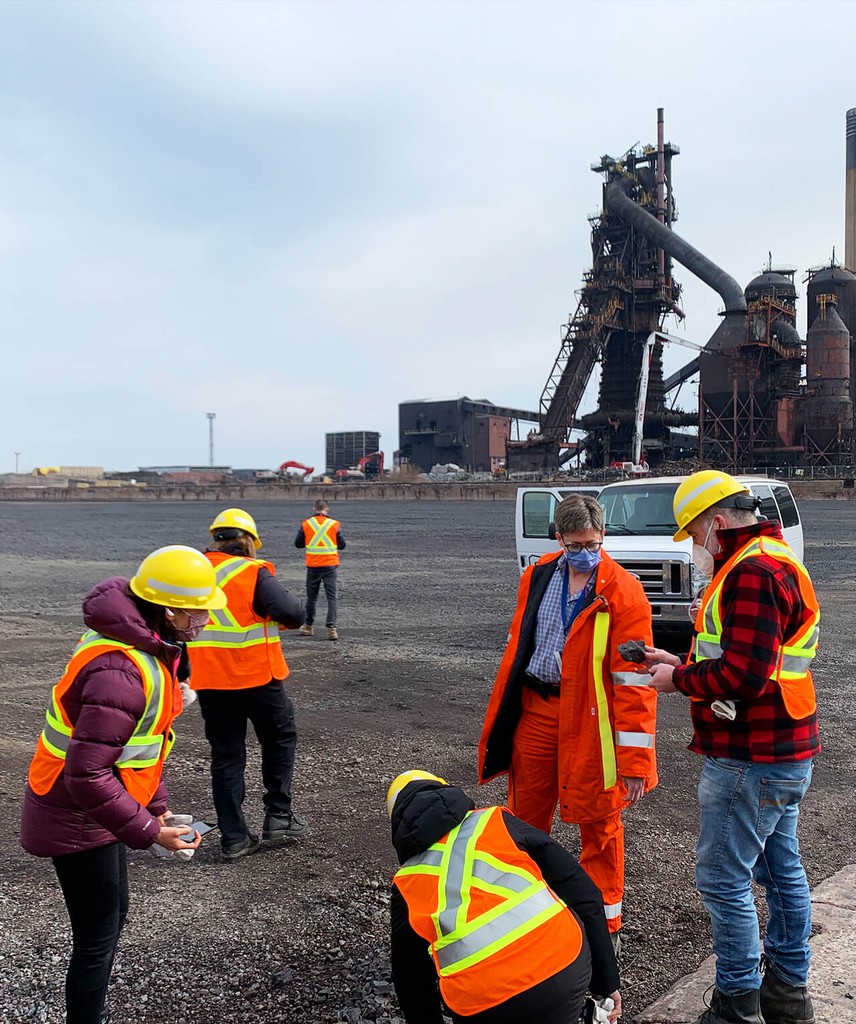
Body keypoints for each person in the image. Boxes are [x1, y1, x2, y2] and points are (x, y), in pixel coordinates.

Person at [20, 545, 228, 1024]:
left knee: (113, 918)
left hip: (96, 809)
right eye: (200, 613)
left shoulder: (145, 645)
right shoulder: (121, 672)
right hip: (74, 812)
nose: (205, 623)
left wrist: (155, 808)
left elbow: (139, 747)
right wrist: (151, 832)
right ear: (170, 609)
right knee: (96, 938)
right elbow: (87, 774)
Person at [645, 471, 820, 1024]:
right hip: (782, 748)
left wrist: (680, 683)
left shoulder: (751, 573)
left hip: (753, 757)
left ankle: (737, 1005)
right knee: (780, 868)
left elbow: (744, 675)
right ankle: (787, 995)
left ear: (717, 524)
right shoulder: (774, 557)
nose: (694, 547)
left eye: (695, 535)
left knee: (723, 877)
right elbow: (752, 659)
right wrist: (683, 665)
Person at [478, 493, 657, 952]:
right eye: (575, 544)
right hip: (538, 712)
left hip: (591, 725)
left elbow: (634, 682)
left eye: (592, 544)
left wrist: (635, 760)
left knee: (600, 824)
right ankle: (525, 913)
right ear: (557, 538)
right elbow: (521, 648)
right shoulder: (537, 577)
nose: (584, 553)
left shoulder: (623, 591)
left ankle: (603, 930)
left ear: (603, 538)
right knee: (524, 821)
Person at [387, 770, 621, 1024]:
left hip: (485, 1006)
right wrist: (605, 983)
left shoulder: (407, 880)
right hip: (564, 970)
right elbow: (582, 891)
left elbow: (411, 979)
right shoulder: (495, 820)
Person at [187, 507, 308, 860]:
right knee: (279, 738)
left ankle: (234, 837)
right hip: (257, 676)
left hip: (210, 680)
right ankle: (278, 816)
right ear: (248, 542)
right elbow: (294, 614)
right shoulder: (251, 572)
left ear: (215, 540)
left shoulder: (194, 574)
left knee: (227, 756)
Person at [295, 498, 345, 641]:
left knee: (311, 598)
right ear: (326, 509)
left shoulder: (306, 524)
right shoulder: (334, 524)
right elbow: (342, 545)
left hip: (313, 566)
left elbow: (298, 544)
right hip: (330, 566)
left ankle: (309, 626)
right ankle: (332, 628)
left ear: (314, 509)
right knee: (332, 597)